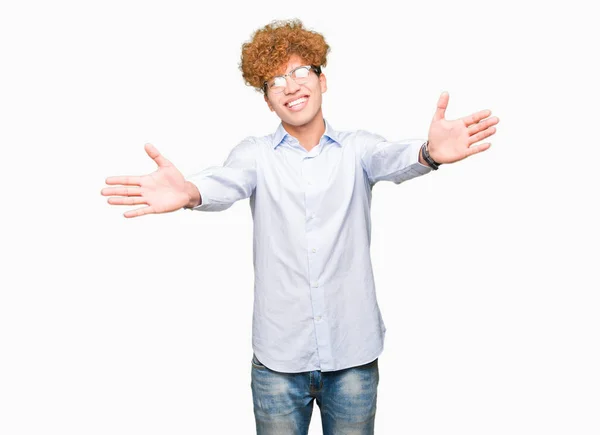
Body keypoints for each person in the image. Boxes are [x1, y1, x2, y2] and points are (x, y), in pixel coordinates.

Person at [101, 18, 499, 435]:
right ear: (268, 99)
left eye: (300, 72)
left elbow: (391, 158)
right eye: (275, 81)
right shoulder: (255, 155)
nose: (290, 86)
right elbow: (223, 181)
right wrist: (188, 192)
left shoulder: (358, 149)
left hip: (353, 358)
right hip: (278, 363)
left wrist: (428, 153)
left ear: (322, 80)